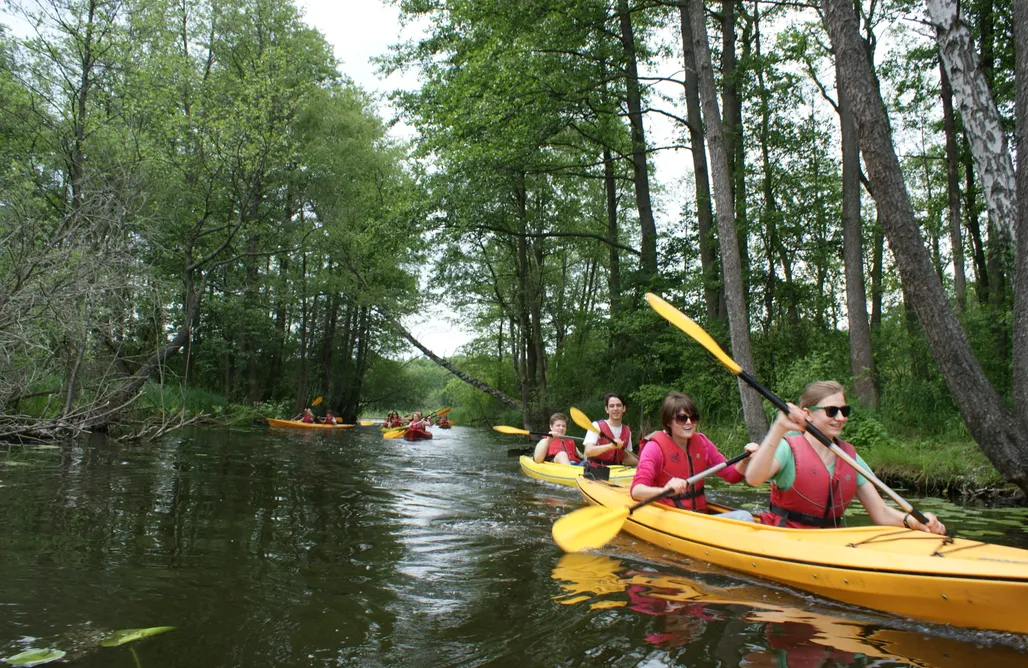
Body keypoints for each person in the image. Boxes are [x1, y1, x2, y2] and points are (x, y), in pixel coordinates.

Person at [745, 380, 946, 533]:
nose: (841, 418)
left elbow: (881, 513)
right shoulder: (786, 447)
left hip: (831, 540)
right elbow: (753, 479)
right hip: (785, 535)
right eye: (832, 411)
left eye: (844, 410)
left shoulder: (850, 458)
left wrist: (911, 521)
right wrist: (779, 428)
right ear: (808, 414)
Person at [631, 392, 756, 521]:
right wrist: (665, 490)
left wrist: (745, 460)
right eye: (681, 418)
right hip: (670, 517)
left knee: (745, 516)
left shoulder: (702, 443)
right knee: (744, 516)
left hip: (697, 516)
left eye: (693, 417)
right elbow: (636, 491)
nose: (689, 422)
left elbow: (732, 476)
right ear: (668, 422)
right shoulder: (654, 448)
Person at [583, 393, 639, 466]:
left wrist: (644, 462)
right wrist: (610, 446)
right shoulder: (596, 426)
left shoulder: (627, 431)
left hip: (616, 470)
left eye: (618, 405)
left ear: (624, 408)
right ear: (607, 409)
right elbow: (588, 451)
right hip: (596, 469)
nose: (615, 409)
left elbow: (625, 457)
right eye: (611, 406)